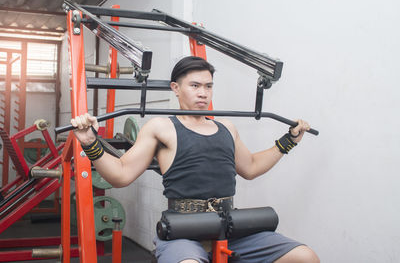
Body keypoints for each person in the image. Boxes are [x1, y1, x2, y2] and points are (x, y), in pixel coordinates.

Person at [71, 56, 320, 263]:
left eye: (208, 86)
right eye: (195, 86)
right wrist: (90, 142)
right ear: (175, 88)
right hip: (182, 232)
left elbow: (252, 167)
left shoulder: (227, 127)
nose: (203, 93)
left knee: (305, 257)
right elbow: (121, 174)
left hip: (229, 226)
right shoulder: (161, 127)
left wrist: (288, 141)